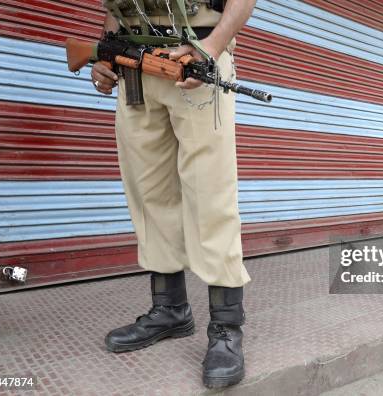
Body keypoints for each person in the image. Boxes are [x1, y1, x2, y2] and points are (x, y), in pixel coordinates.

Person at [91, 0, 255, 388]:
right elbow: (115, 7)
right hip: (133, 67)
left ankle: (227, 327)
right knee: (148, 191)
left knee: (210, 193)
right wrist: (104, 53)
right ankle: (170, 310)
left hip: (194, 58)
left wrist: (211, 48)